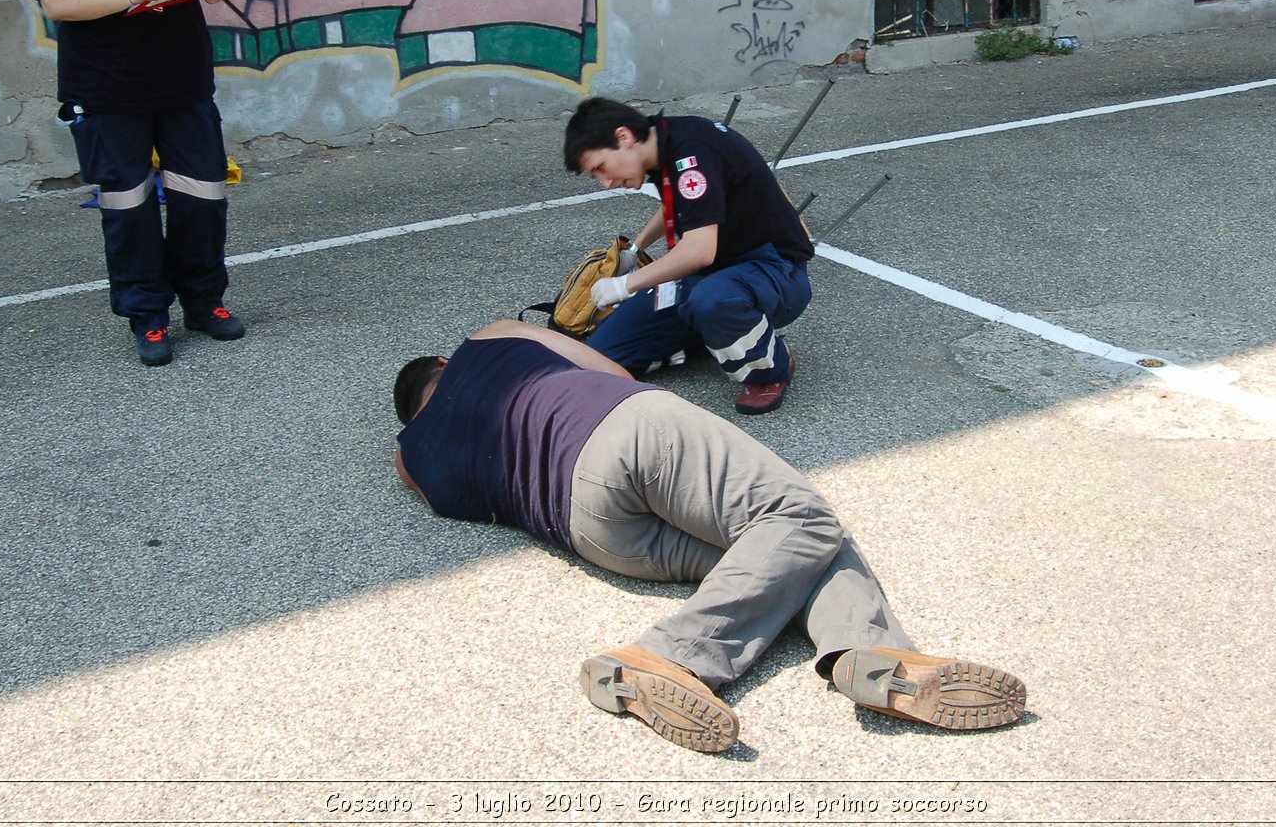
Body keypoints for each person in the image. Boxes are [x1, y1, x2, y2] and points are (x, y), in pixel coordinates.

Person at [392, 320, 1026, 752]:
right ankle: (669, 656)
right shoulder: (488, 337)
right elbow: (611, 370)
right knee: (800, 517)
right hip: (620, 431)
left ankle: (868, 656)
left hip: (591, 531)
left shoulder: (411, 458)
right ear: (446, 363)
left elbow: (448, 498)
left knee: (786, 552)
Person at [27, 0, 243, 367]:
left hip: (181, 78)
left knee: (202, 196)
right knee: (130, 206)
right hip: (107, 87)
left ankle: (204, 299)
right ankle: (147, 314)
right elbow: (56, 0)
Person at [563, 98, 813, 414]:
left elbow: (699, 251)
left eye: (600, 168)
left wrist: (626, 284)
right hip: (714, 275)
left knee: (712, 301)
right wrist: (635, 249)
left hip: (773, 270)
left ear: (623, 137)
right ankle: (713, 336)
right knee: (603, 354)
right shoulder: (664, 144)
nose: (606, 183)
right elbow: (679, 203)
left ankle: (770, 368)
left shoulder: (692, 150)